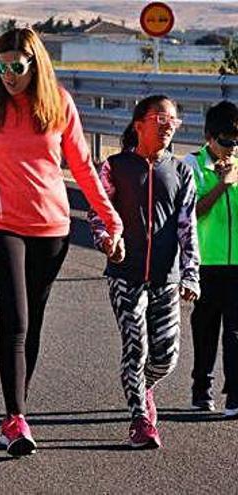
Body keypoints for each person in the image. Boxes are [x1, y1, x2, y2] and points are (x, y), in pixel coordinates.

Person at [0, 28, 123, 457]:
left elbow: (83, 166)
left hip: (51, 229)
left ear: (35, 64)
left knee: (35, 321)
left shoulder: (58, 103)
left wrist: (110, 217)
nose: (8, 75)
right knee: (16, 320)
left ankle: (18, 407)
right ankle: (15, 418)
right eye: (1, 67)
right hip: (0, 225)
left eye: (17, 67)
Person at [89, 95, 200, 448]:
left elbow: (188, 226)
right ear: (139, 124)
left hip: (166, 279)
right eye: (160, 118)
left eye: (173, 121)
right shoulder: (115, 166)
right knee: (135, 348)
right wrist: (107, 238)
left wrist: (191, 272)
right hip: (126, 275)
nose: (168, 125)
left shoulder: (181, 170)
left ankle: (145, 385)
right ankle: (140, 421)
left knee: (166, 357)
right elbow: (98, 211)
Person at [184, 100, 238, 418]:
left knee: (235, 331)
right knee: (205, 329)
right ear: (208, 136)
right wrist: (221, 185)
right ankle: (201, 388)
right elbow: (191, 213)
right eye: (225, 140)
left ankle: (234, 394)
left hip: (236, 265)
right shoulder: (191, 165)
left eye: (236, 140)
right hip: (205, 264)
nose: (231, 147)